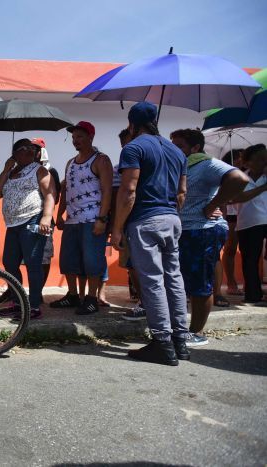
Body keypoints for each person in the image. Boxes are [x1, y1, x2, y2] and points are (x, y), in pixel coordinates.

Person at [111, 101, 189, 366]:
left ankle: (162, 343)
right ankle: (180, 340)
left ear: (132, 125)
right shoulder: (177, 151)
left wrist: (117, 228)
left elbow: (128, 190)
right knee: (174, 279)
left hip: (146, 220)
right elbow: (182, 193)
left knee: (153, 281)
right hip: (172, 219)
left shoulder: (133, 148)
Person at [170, 129, 248, 347]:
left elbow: (239, 178)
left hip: (203, 230)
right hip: (182, 231)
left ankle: (195, 332)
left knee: (200, 284)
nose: (175, 149)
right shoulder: (180, 167)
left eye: (180, 146)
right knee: (183, 283)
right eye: (172, 144)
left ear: (195, 148)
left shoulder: (206, 164)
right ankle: (183, 329)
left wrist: (213, 205)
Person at [53, 121, 113, 315]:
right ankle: (72, 295)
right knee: (69, 260)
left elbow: (107, 191)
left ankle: (91, 298)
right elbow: (66, 190)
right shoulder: (70, 162)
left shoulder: (101, 160)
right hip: (72, 219)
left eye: (79, 136)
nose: (75, 141)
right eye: (73, 137)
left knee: (92, 260)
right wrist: (60, 213)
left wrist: (102, 219)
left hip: (92, 218)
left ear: (90, 137)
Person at [0, 138, 55, 319]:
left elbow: (50, 194)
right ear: (16, 153)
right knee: (9, 262)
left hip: (32, 220)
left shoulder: (40, 170)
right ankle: (17, 302)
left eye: (32, 150)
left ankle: (34, 306)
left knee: (33, 264)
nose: (31, 152)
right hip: (12, 224)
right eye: (25, 149)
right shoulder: (11, 172)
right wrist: (5, 170)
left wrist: (47, 217)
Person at [114, 129, 145, 321]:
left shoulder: (152, 167)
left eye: (130, 143)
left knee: (143, 266)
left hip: (142, 220)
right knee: (132, 265)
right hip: (129, 222)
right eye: (124, 146)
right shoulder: (120, 169)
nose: (128, 148)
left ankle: (148, 305)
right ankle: (143, 301)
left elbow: (128, 191)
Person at [232, 144, 267, 304]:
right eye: (259, 159)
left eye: (264, 158)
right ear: (247, 163)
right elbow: (237, 197)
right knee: (250, 260)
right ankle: (253, 295)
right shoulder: (239, 178)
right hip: (248, 223)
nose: (263, 162)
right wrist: (263, 187)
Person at [31, 140, 60, 288]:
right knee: (19, 257)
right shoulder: (20, 171)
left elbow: (55, 197)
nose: (31, 152)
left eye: (35, 149)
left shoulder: (50, 171)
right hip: (23, 221)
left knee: (44, 257)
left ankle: (39, 290)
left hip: (43, 220)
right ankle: (13, 290)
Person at [221, 149, 245, 296]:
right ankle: (231, 282)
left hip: (245, 213)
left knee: (248, 251)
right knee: (230, 248)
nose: (240, 161)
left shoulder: (246, 174)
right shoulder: (223, 174)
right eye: (238, 158)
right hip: (231, 214)